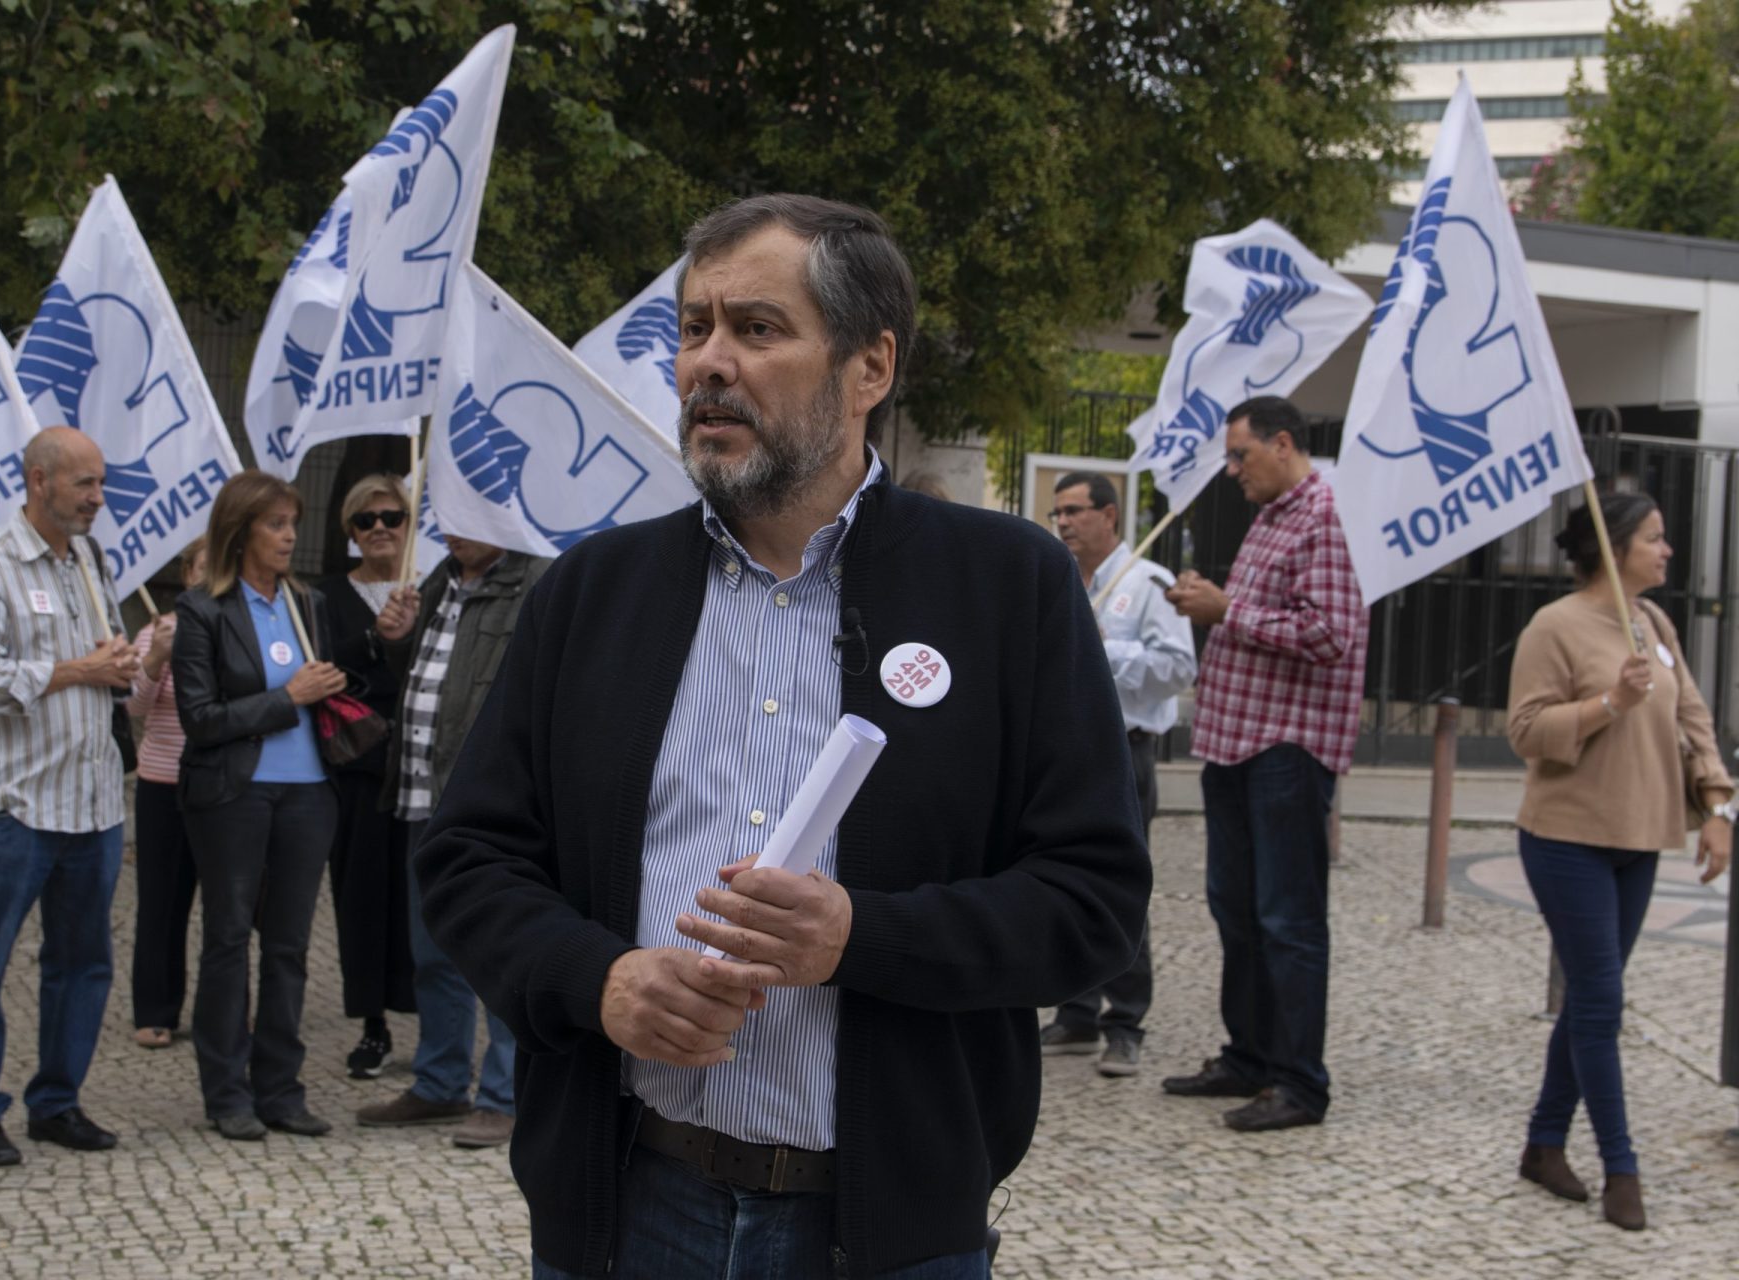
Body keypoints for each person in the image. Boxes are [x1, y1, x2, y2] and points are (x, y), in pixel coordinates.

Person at [415, 194, 1151, 1278]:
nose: (711, 362)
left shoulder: (1005, 588)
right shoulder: (591, 593)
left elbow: (1092, 900)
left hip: (890, 1226)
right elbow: (469, 861)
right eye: (695, 327)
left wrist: (861, 935)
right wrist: (601, 980)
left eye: (757, 329)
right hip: (624, 1207)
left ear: (870, 367)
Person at [1506, 492, 1732, 1230]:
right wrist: (1609, 702)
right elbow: (1527, 731)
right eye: (1656, 539)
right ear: (1615, 547)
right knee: (1602, 1004)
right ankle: (1621, 1169)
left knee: (1589, 1005)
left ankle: (1543, 1145)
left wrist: (1720, 805)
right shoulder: (1554, 627)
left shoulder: (1654, 622)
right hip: (1565, 839)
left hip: (1640, 838)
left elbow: (1694, 717)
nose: (1668, 551)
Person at [1162, 395, 1366, 1133]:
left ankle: (1299, 1082)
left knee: (1288, 919)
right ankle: (1248, 1055)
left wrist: (1228, 611)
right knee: (1238, 911)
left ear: (1284, 444)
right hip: (1237, 741)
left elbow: (1330, 633)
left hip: (1287, 746)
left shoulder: (1325, 515)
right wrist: (1212, 603)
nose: (1233, 469)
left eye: (1241, 454)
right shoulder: (1273, 514)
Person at [0, 425, 137, 1168]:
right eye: (84, 484)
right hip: (13, 808)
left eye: (100, 483)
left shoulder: (89, 559)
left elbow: (103, 664)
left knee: (83, 965)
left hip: (92, 805)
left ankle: (56, 1101)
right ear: (37, 480)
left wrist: (125, 665)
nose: (97, 498)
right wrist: (79, 669)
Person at [354, 535, 550, 1148]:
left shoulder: (535, 581)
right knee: (433, 949)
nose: (449, 526)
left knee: (492, 948)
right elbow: (424, 674)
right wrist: (395, 638)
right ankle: (438, 1083)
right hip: (421, 793)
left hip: (485, 805)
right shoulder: (438, 580)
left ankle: (503, 1095)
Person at [172, 470, 346, 1141]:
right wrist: (289, 699)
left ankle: (281, 1088)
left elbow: (323, 686)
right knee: (226, 940)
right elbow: (199, 718)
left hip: (309, 794)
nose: (289, 537)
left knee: (290, 947)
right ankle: (226, 1091)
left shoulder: (307, 603)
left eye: (291, 524)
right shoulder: (202, 610)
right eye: (275, 525)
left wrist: (331, 684)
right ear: (241, 531)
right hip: (233, 795)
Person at [1039, 472, 1195, 1076]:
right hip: (1063, 749)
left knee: (1122, 882)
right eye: (1059, 513)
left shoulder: (1146, 585)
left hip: (1125, 750)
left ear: (1109, 515)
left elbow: (1178, 668)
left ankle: (1125, 1020)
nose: (1066, 523)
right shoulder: (1059, 580)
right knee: (1061, 876)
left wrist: (1106, 648)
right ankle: (1076, 1011)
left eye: (1076, 511)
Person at [318, 474, 418, 1078]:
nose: (380, 527)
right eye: (365, 519)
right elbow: (321, 667)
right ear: (350, 532)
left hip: (421, 762)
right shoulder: (327, 596)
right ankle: (373, 1023)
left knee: (426, 894)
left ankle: (438, 1019)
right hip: (358, 765)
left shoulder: (431, 588)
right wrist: (372, 638)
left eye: (391, 515)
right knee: (359, 893)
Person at [126, 535, 207, 1050]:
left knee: (227, 908)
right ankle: (156, 1009)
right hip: (162, 782)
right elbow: (133, 706)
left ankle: (224, 1008)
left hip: (221, 788)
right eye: (202, 566)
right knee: (161, 902)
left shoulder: (237, 629)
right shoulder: (158, 629)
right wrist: (155, 659)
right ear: (186, 574)